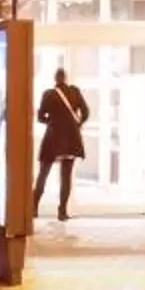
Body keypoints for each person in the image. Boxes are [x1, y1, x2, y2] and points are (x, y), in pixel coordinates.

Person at [35, 66, 89, 223]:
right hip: (71, 139)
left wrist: (51, 121)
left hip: (52, 139)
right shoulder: (75, 92)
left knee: (43, 174)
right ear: (65, 78)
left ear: (55, 79)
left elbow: (40, 116)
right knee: (66, 177)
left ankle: (34, 207)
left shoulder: (48, 94)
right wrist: (78, 123)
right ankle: (62, 211)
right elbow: (85, 112)